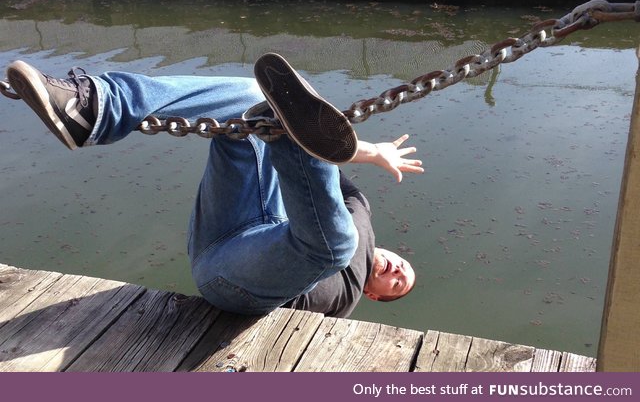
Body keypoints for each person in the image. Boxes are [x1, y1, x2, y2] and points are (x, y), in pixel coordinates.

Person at [5, 53, 423, 318]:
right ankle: (96, 108)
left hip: (235, 278)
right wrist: (373, 151)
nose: (398, 271)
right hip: (242, 215)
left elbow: (294, 297)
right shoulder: (360, 208)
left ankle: (288, 121)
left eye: (398, 284)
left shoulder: (344, 299)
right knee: (253, 99)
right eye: (404, 267)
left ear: (374, 295)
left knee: (335, 248)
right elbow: (322, 156)